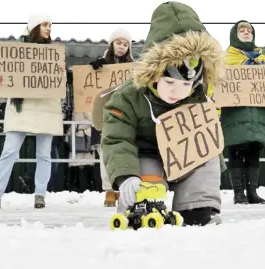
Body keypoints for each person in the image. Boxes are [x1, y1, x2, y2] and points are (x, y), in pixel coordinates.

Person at [101, 1, 225, 226]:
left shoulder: (198, 96)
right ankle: (141, 208)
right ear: (155, 71)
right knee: (146, 186)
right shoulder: (128, 96)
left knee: (207, 157)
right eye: (170, 82)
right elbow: (117, 138)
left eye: (188, 84)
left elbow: (207, 137)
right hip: (146, 154)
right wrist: (125, 174)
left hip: (184, 154)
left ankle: (197, 208)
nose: (179, 92)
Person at [0, 12, 66, 209]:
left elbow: (59, 87)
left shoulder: (54, 55)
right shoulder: (14, 52)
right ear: (35, 27)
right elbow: (4, 83)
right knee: (9, 151)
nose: (49, 28)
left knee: (44, 154)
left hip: (46, 107)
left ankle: (40, 194)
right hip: (21, 108)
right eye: (45, 24)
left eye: (50, 25)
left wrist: (61, 71)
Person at [220, 20, 265, 204]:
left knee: (254, 153)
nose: (246, 32)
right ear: (234, 34)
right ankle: (238, 193)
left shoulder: (261, 58)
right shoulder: (225, 58)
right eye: (242, 30)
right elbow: (216, 82)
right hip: (235, 114)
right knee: (236, 152)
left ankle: (252, 192)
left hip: (256, 113)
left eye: (249, 30)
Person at [87, 28, 134, 207]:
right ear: (112, 44)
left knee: (124, 154)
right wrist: (94, 69)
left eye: (125, 44)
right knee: (104, 155)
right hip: (103, 117)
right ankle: (109, 190)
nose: (121, 47)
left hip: (124, 118)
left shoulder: (134, 68)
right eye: (118, 43)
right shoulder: (100, 65)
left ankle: (123, 189)